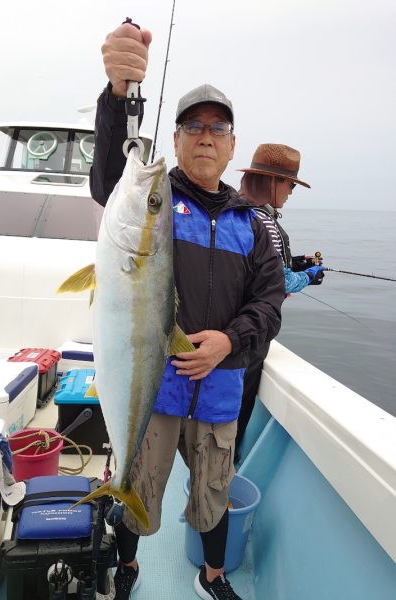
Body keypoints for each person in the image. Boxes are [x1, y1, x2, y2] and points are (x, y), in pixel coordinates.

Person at [90, 22, 285, 600]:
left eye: (217, 128)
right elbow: (108, 178)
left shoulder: (255, 226)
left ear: (231, 144)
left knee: (213, 496)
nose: (205, 136)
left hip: (221, 389)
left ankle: (212, 575)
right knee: (138, 492)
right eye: (192, 126)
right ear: (174, 141)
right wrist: (119, 94)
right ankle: (127, 570)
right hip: (157, 392)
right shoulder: (152, 199)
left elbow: (269, 304)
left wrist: (229, 342)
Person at [234, 144, 325, 456]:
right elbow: (278, 281)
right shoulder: (265, 222)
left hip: (233, 328)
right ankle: (221, 483)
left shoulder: (240, 212)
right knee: (236, 420)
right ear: (273, 182)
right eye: (290, 185)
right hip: (250, 336)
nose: (290, 192)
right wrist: (309, 275)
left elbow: (256, 266)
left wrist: (297, 262)